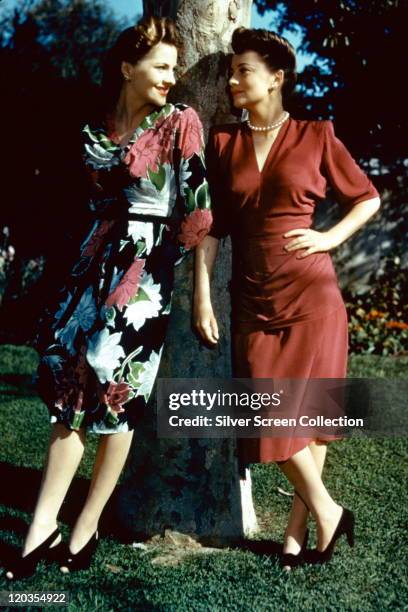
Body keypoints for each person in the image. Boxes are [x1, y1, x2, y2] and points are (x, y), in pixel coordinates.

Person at [5, 16, 212, 580]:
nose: (171, 77)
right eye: (161, 66)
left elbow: (198, 210)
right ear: (128, 67)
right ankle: (39, 530)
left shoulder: (179, 123)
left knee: (115, 391)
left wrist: (184, 284)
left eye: (173, 67)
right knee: (69, 387)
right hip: (90, 261)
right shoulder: (96, 125)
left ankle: (86, 526)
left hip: (144, 271)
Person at [194, 27, 380, 568]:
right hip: (252, 298)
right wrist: (202, 298)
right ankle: (330, 511)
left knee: (310, 422)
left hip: (313, 296)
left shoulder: (317, 134)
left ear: (276, 78)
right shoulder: (223, 143)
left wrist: (328, 237)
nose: (232, 79)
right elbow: (212, 230)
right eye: (230, 71)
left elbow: (366, 198)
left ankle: (297, 539)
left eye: (243, 70)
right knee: (269, 415)